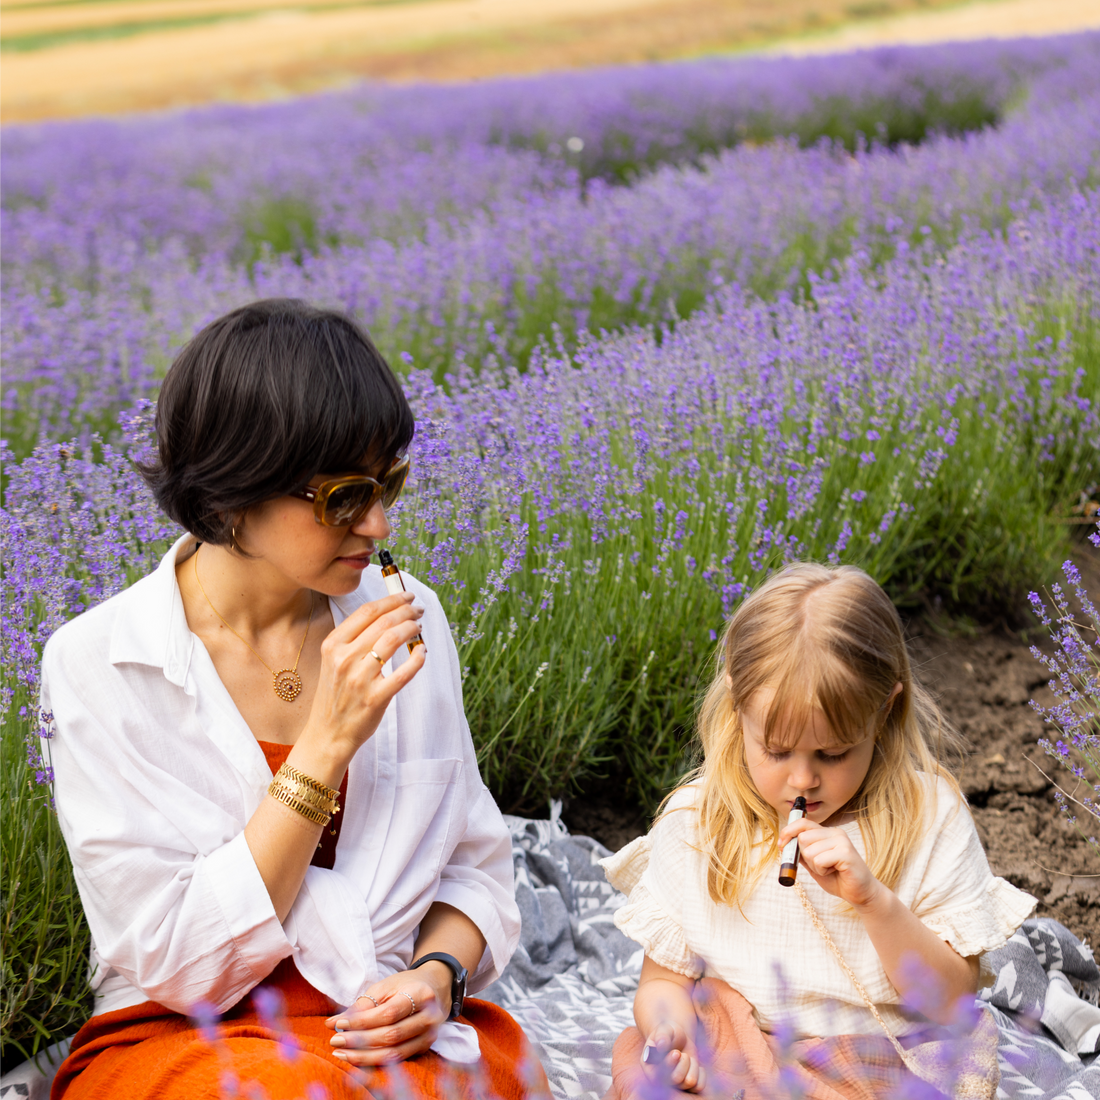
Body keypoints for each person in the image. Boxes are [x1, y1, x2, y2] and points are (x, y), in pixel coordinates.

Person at [41, 299, 547, 1100]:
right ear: (234, 490)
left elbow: (474, 867)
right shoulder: (100, 663)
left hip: (385, 1014)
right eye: (345, 495)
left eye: (390, 483)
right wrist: (324, 746)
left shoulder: (406, 615)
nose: (378, 523)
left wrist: (438, 978)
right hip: (193, 1033)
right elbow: (178, 967)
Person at [600, 563, 1035, 1100]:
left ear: (884, 711)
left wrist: (874, 901)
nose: (803, 778)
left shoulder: (929, 818)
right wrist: (672, 1031)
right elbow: (663, 982)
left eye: (833, 753)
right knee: (641, 1072)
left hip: (881, 1055)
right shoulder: (700, 823)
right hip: (742, 1047)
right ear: (738, 710)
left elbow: (950, 1005)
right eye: (777, 751)